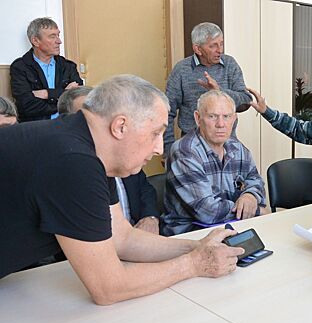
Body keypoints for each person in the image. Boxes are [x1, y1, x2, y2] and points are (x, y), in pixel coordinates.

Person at [0, 75, 244, 305]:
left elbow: (122, 238)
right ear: (120, 126)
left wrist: (197, 247)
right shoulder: (72, 160)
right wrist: (194, 264)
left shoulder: (84, 146)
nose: (160, 148)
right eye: (156, 133)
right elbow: (109, 288)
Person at [59, 85, 161, 234]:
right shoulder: (70, 166)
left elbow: (145, 189)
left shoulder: (122, 151)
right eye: (87, 117)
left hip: (137, 235)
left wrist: (150, 218)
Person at [162, 90, 266, 235]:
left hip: (232, 229)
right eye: (212, 116)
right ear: (198, 118)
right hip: (190, 237)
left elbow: (256, 181)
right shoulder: (184, 151)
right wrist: (256, 210)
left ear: (234, 119)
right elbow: (207, 211)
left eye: (227, 116)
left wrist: (250, 196)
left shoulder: (237, 147)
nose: (221, 124)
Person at [164, 22, 252, 155]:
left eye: (221, 44)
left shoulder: (230, 64)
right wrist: (168, 150)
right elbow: (166, 112)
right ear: (198, 49)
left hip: (227, 145)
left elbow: (246, 101)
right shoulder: (181, 70)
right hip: (191, 147)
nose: (220, 50)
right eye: (213, 46)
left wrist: (219, 92)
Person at [10, 17, 83, 122]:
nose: (59, 41)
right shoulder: (20, 67)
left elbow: (78, 99)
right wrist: (63, 93)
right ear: (35, 41)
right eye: (52, 37)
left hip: (66, 125)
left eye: (58, 35)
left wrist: (46, 94)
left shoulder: (68, 66)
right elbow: (26, 106)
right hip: (37, 128)